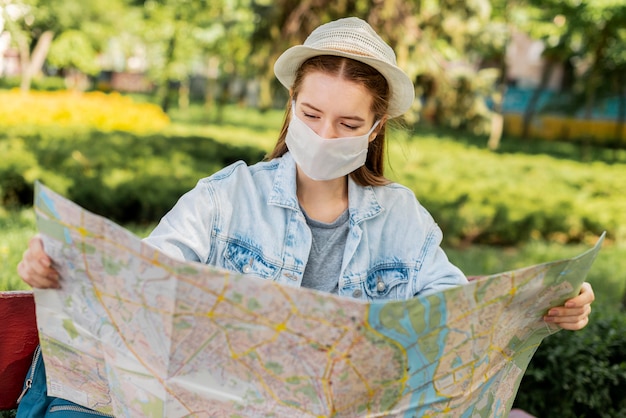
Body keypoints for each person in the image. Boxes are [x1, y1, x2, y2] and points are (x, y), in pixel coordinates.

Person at [16, 17, 594, 413]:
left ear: (374, 129)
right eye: (311, 113)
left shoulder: (402, 218)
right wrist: (57, 264)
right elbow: (145, 271)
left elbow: (458, 309)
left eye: (346, 125)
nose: (323, 135)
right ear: (291, 106)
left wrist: (546, 304)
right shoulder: (225, 197)